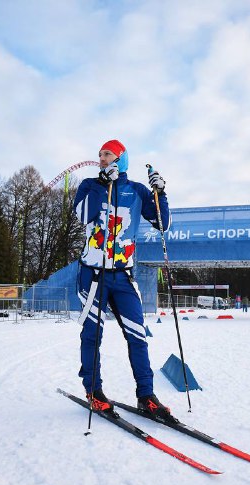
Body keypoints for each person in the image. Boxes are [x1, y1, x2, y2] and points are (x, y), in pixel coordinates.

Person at [73, 139, 175, 421]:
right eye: (100, 155)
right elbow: (82, 216)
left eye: (107, 154)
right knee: (93, 335)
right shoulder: (89, 185)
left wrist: (160, 193)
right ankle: (94, 390)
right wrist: (102, 185)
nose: (102, 159)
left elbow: (162, 224)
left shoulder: (137, 191)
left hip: (123, 276)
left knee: (138, 335)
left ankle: (147, 397)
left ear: (121, 159)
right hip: (93, 275)